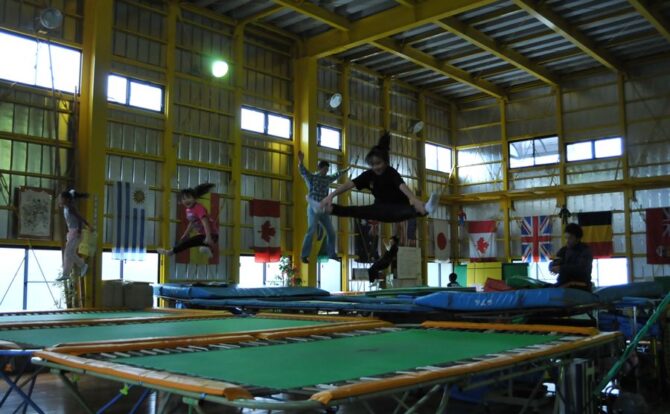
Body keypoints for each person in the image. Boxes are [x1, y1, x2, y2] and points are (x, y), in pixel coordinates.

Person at [312, 132, 439, 222]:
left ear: (386, 161)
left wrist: (414, 199)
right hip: (379, 209)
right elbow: (348, 185)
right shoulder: (369, 175)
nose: (375, 167)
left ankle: (426, 208)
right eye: (372, 164)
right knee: (356, 211)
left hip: (398, 208)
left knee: (411, 210)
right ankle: (326, 209)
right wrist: (331, 195)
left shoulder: (391, 172)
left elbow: (402, 186)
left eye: (378, 163)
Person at [298, 150, 349, 263]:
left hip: (323, 209)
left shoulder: (327, 179)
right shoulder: (312, 177)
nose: (326, 172)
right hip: (313, 207)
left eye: (327, 170)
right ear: (319, 168)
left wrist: (345, 170)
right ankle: (304, 255)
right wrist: (301, 161)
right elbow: (303, 172)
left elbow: (336, 175)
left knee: (331, 232)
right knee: (311, 230)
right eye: (324, 169)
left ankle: (331, 253)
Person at [158, 183, 218, 258]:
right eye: (183, 199)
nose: (186, 200)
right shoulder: (188, 210)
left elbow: (205, 222)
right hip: (202, 235)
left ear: (194, 198)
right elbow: (192, 222)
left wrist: (208, 237)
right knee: (187, 242)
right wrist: (185, 234)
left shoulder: (198, 208)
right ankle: (170, 252)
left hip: (212, 235)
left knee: (192, 244)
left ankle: (208, 248)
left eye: (188, 197)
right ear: (181, 201)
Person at [57, 189, 92, 281]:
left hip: (76, 232)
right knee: (68, 253)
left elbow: (80, 218)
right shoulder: (66, 207)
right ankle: (66, 274)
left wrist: (84, 227)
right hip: (72, 232)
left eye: (61, 198)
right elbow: (72, 192)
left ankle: (83, 265)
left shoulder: (70, 208)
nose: (59, 200)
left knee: (69, 252)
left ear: (66, 199)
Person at [549, 223, 593, 290]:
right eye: (566, 238)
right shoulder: (563, 250)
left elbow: (581, 269)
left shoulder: (585, 251)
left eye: (570, 238)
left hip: (580, 286)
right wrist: (552, 267)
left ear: (578, 238)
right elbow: (555, 262)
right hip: (564, 284)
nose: (567, 241)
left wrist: (561, 269)